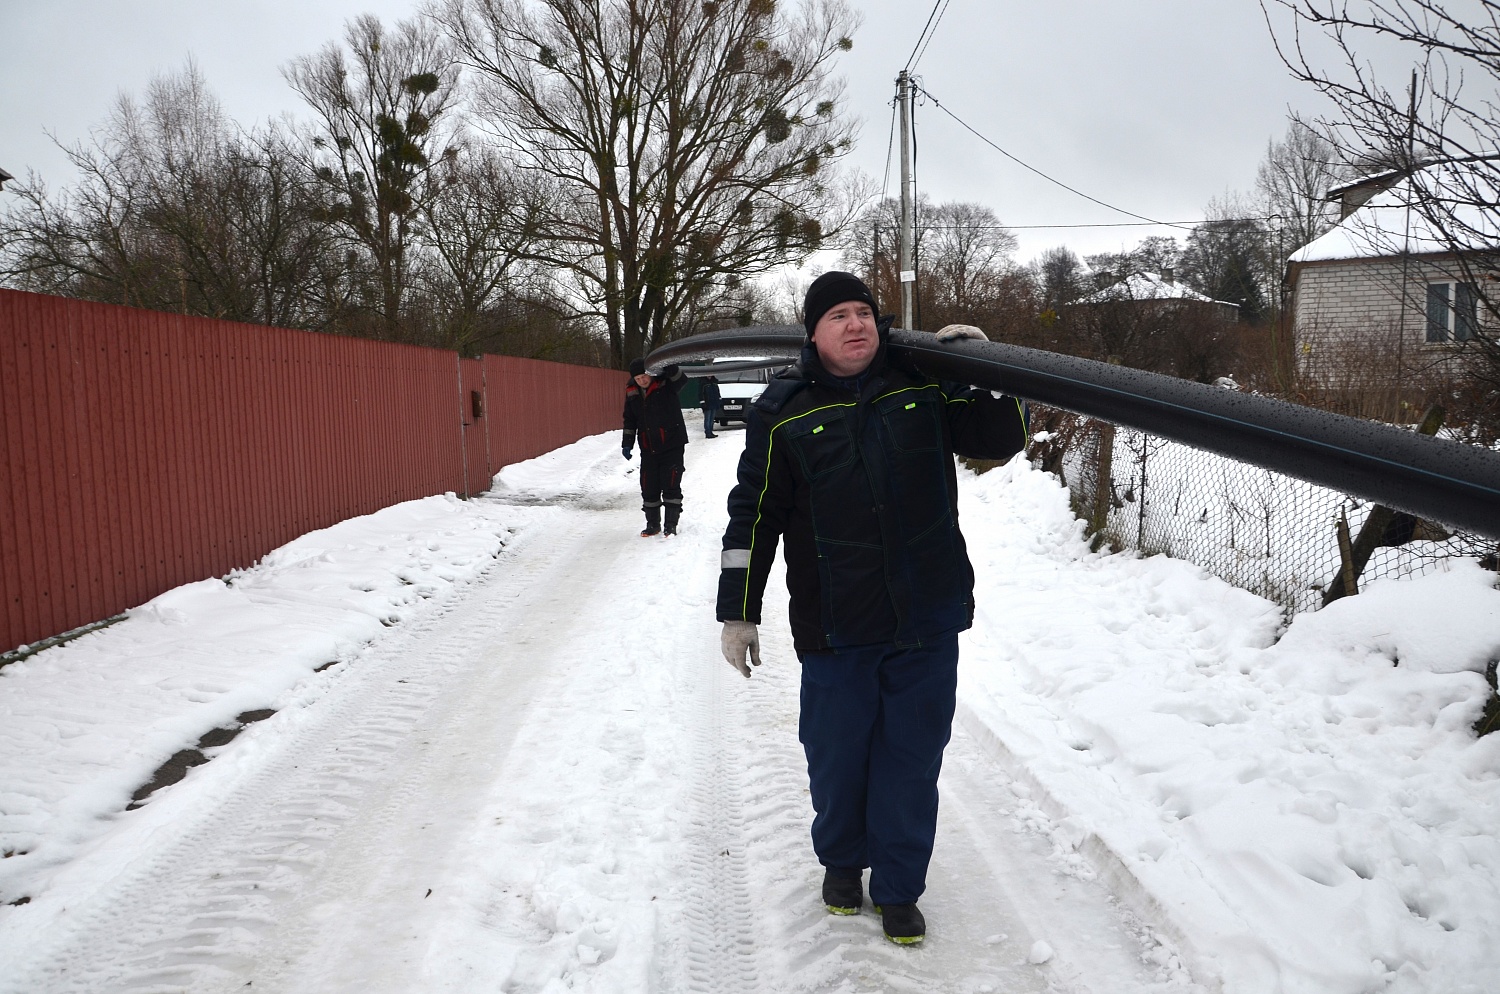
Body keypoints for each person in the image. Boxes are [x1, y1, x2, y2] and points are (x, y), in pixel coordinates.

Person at [715, 271, 1028, 946]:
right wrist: (737, 610)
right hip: (836, 626)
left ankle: (897, 889)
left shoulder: (921, 384)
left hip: (926, 618)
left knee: (911, 761)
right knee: (836, 756)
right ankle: (840, 860)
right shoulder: (782, 411)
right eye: (838, 316)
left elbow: (998, 438)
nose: (855, 324)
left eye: (864, 312)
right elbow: (754, 517)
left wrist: (985, 369)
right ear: (813, 334)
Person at [622, 357, 688, 536]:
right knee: (648, 485)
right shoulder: (631, 392)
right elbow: (629, 419)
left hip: (672, 444)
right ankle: (653, 524)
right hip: (648, 446)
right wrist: (627, 443)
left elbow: (682, 379)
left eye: (644, 376)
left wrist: (669, 363)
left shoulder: (666, 383)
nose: (642, 381)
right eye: (637, 379)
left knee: (671, 483)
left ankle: (671, 525)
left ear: (650, 374)